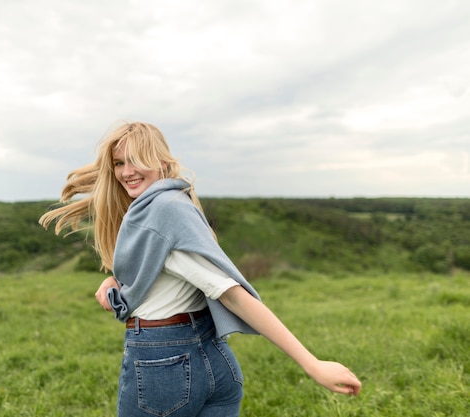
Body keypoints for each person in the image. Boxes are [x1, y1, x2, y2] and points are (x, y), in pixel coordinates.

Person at [39, 121, 361, 416]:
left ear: (161, 161)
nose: (126, 172)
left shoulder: (164, 211)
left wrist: (312, 363)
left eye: (136, 159)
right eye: (119, 163)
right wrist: (116, 280)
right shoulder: (176, 202)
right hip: (215, 361)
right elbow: (167, 272)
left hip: (163, 368)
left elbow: (233, 295)